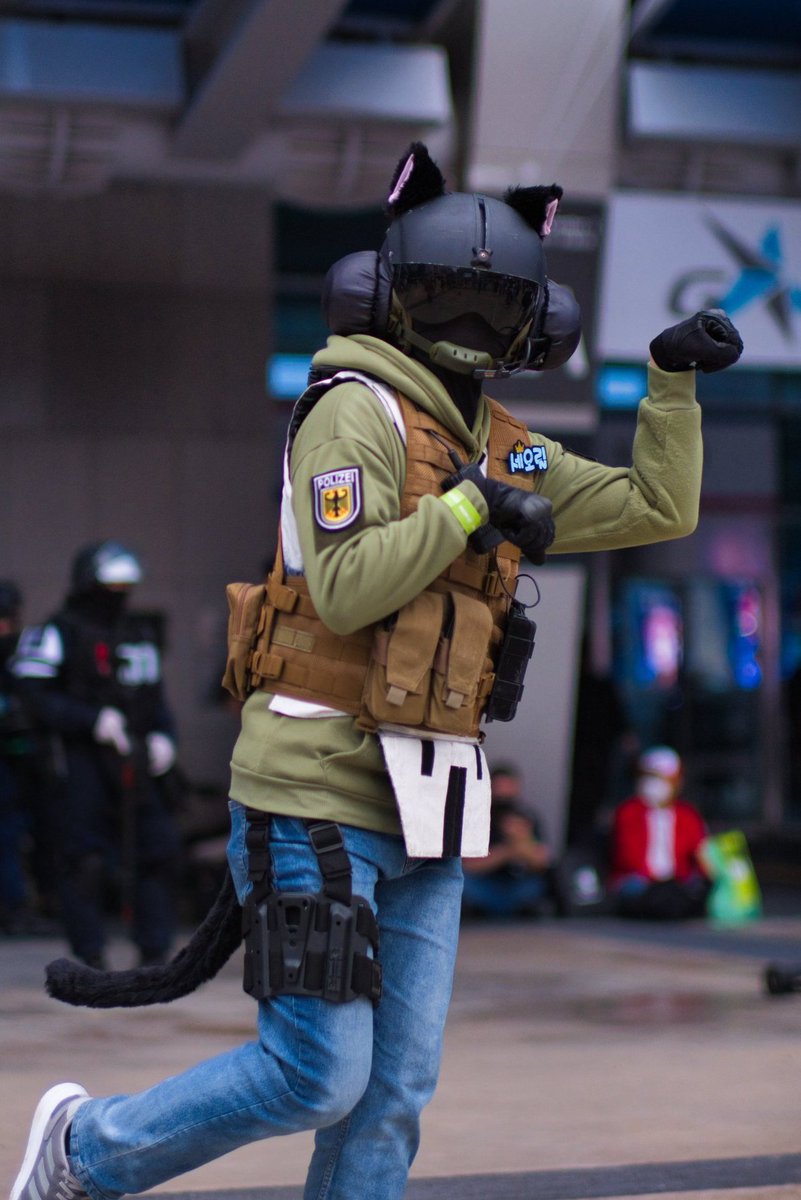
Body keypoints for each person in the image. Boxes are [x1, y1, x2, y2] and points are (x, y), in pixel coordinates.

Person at [11, 142, 742, 1200]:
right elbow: (349, 586)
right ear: (386, 296)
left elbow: (653, 507)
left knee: (393, 1092)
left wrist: (669, 384)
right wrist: (471, 506)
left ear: (536, 325)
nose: (471, 324)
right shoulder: (354, 408)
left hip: (429, 801)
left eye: (498, 307)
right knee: (316, 1073)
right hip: (315, 790)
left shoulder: (503, 440)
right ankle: (85, 1149)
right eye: (446, 295)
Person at [10, 540, 182, 969]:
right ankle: (89, 955)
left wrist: (164, 738)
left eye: (125, 587)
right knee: (82, 860)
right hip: (81, 762)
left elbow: (156, 698)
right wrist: (90, 721)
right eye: (110, 586)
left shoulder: (138, 634)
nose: (118, 596)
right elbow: (31, 697)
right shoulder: (57, 634)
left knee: (157, 851)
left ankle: (155, 953)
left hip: (138, 759)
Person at [608, 745, 711, 920]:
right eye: (648, 776)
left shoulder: (687, 815)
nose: (653, 783)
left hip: (677, 883)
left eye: (660, 778)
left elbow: (700, 854)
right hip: (640, 882)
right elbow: (628, 857)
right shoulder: (629, 812)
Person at [462, 763, 552, 917]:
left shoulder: (527, 817)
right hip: (483, 884)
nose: (504, 793)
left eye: (508, 786)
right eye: (499, 787)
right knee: (462, 883)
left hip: (517, 885)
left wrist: (522, 839)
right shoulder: (477, 816)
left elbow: (542, 862)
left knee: (537, 885)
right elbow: (467, 865)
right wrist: (507, 851)